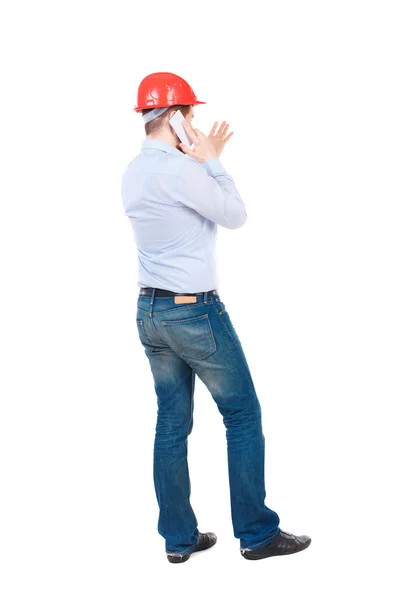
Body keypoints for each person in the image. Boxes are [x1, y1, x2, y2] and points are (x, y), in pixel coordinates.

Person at [121, 72, 311, 563]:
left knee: (171, 423)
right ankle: (257, 533)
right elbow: (235, 214)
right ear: (176, 118)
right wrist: (214, 164)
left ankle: (179, 541)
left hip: (150, 312)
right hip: (195, 314)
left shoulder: (134, 172)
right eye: (191, 115)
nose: (196, 123)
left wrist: (195, 163)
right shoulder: (184, 171)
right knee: (243, 415)